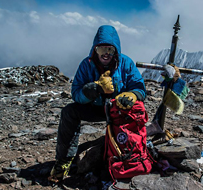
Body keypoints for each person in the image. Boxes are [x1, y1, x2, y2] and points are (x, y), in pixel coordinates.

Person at [48, 25, 146, 182]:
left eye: (110, 50)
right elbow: (76, 93)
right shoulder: (86, 65)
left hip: (118, 111)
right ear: (95, 49)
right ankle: (63, 161)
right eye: (101, 49)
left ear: (116, 51)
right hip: (95, 109)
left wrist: (133, 94)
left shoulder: (126, 63)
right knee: (69, 112)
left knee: (137, 109)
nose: (106, 54)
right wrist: (93, 89)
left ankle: (130, 155)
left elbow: (139, 87)